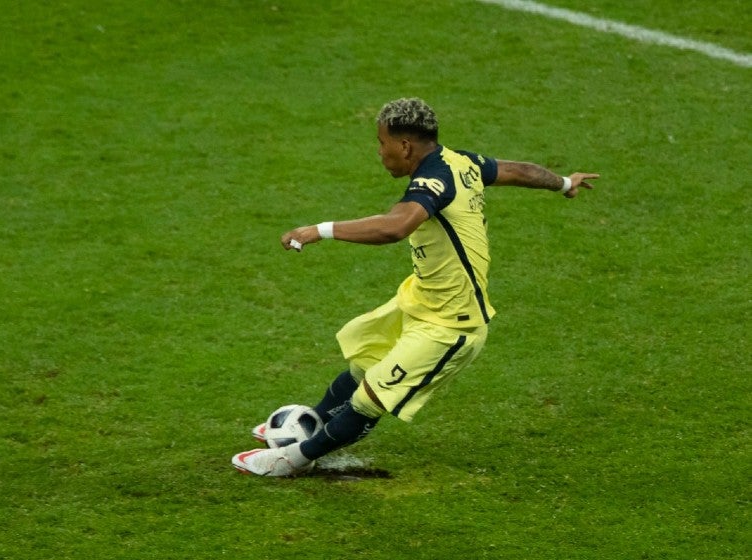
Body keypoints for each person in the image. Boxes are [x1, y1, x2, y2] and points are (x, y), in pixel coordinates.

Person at [232, 97, 599, 477]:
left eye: (381, 142)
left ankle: (291, 459)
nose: (379, 151)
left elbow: (395, 227)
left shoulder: (434, 181)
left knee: (369, 399)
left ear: (404, 146)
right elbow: (519, 170)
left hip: (452, 326)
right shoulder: (463, 162)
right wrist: (564, 183)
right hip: (421, 299)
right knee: (363, 364)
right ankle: (310, 422)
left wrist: (319, 230)